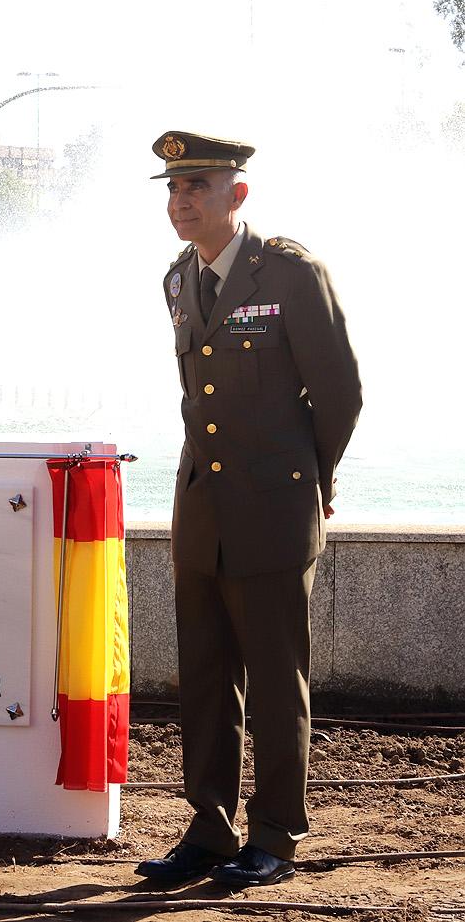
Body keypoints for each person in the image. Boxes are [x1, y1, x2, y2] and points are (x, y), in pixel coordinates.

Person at [136, 132, 361, 887]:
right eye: (172, 188)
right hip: (202, 511)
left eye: (197, 185)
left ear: (238, 193)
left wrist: (312, 480)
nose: (180, 200)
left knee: (273, 679)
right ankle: (209, 827)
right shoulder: (177, 280)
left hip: (272, 508)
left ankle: (274, 833)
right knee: (202, 679)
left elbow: (340, 395)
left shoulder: (290, 273)